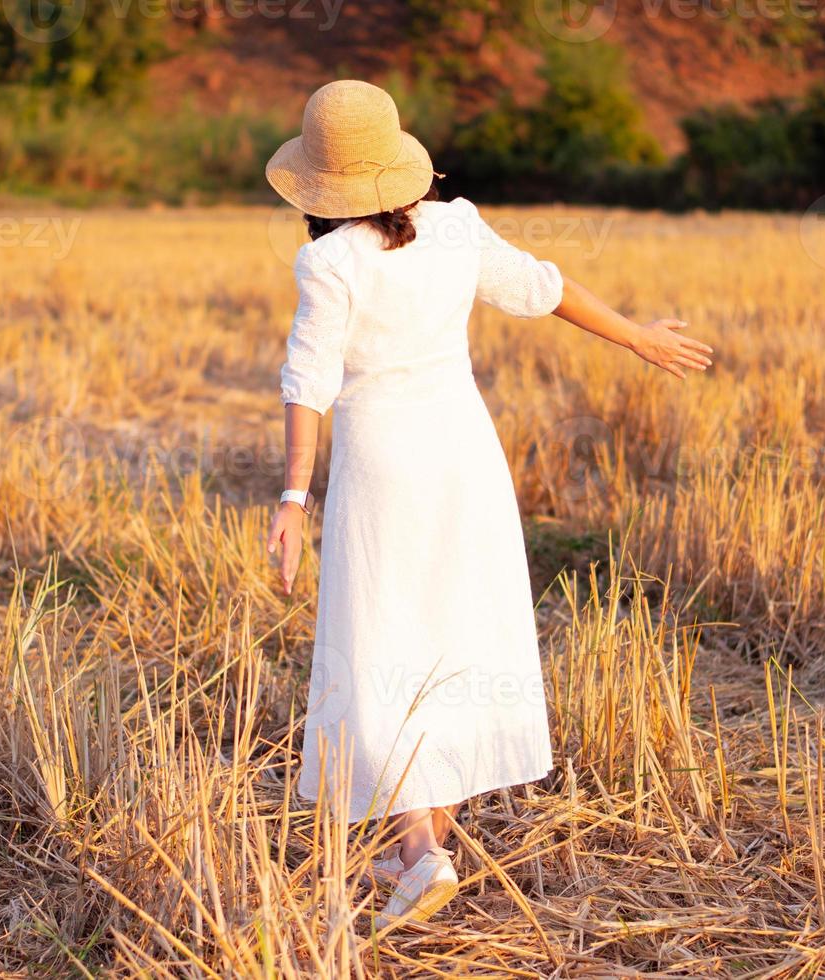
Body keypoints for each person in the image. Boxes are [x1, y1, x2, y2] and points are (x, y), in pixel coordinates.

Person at [264, 80, 713, 927]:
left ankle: (418, 853)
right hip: (465, 454)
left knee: (385, 641)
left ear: (320, 185)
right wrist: (640, 337)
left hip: (383, 465)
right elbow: (547, 290)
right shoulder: (456, 227)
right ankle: (422, 851)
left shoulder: (327, 262)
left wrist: (293, 494)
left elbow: (309, 382)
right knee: (456, 635)